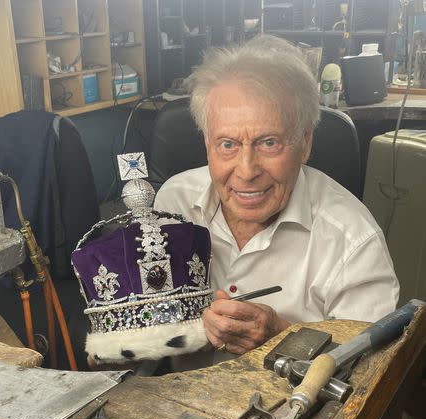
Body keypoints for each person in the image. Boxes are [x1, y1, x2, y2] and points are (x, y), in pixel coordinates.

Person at [154, 35, 399, 368]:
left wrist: (285, 338)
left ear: (305, 143)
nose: (246, 170)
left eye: (269, 142)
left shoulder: (353, 241)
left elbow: (372, 374)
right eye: (227, 144)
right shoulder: (173, 203)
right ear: (207, 143)